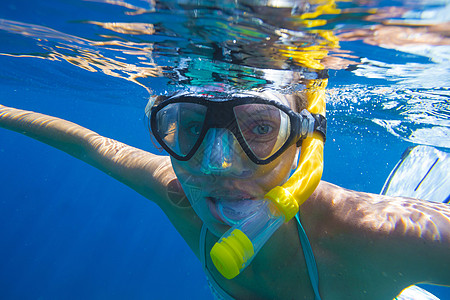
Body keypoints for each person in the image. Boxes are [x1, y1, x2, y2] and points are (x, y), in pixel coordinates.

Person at [1, 78, 449, 299]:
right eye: (191, 127)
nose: (218, 165)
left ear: (302, 146)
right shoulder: (177, 193)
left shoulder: (365, 233)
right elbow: (89, 143)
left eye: (259, 128)